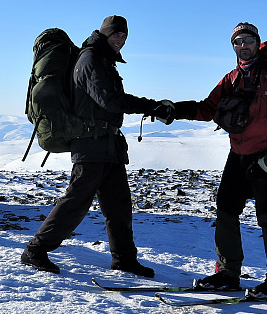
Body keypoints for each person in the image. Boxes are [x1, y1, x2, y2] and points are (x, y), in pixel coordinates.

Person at [20, 15, 174, 278]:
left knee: (119, 205)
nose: (120, 39)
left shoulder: (102, 60)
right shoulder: (90, 59)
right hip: (91, 144)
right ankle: (35, 250)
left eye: (124, 35)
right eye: (116, 34)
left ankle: (124, 259)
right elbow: (110, 101)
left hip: (108, 145)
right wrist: (151, 106)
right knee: (76, 201)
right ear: (104, 34)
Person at [171, 22, 267, 300]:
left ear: (258, 42)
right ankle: (228, 274)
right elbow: (207, 108)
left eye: (248, 40)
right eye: (237, 42)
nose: (243, 46)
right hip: (238, 156)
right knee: (226, 212)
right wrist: (173, 109)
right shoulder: (231, 78)